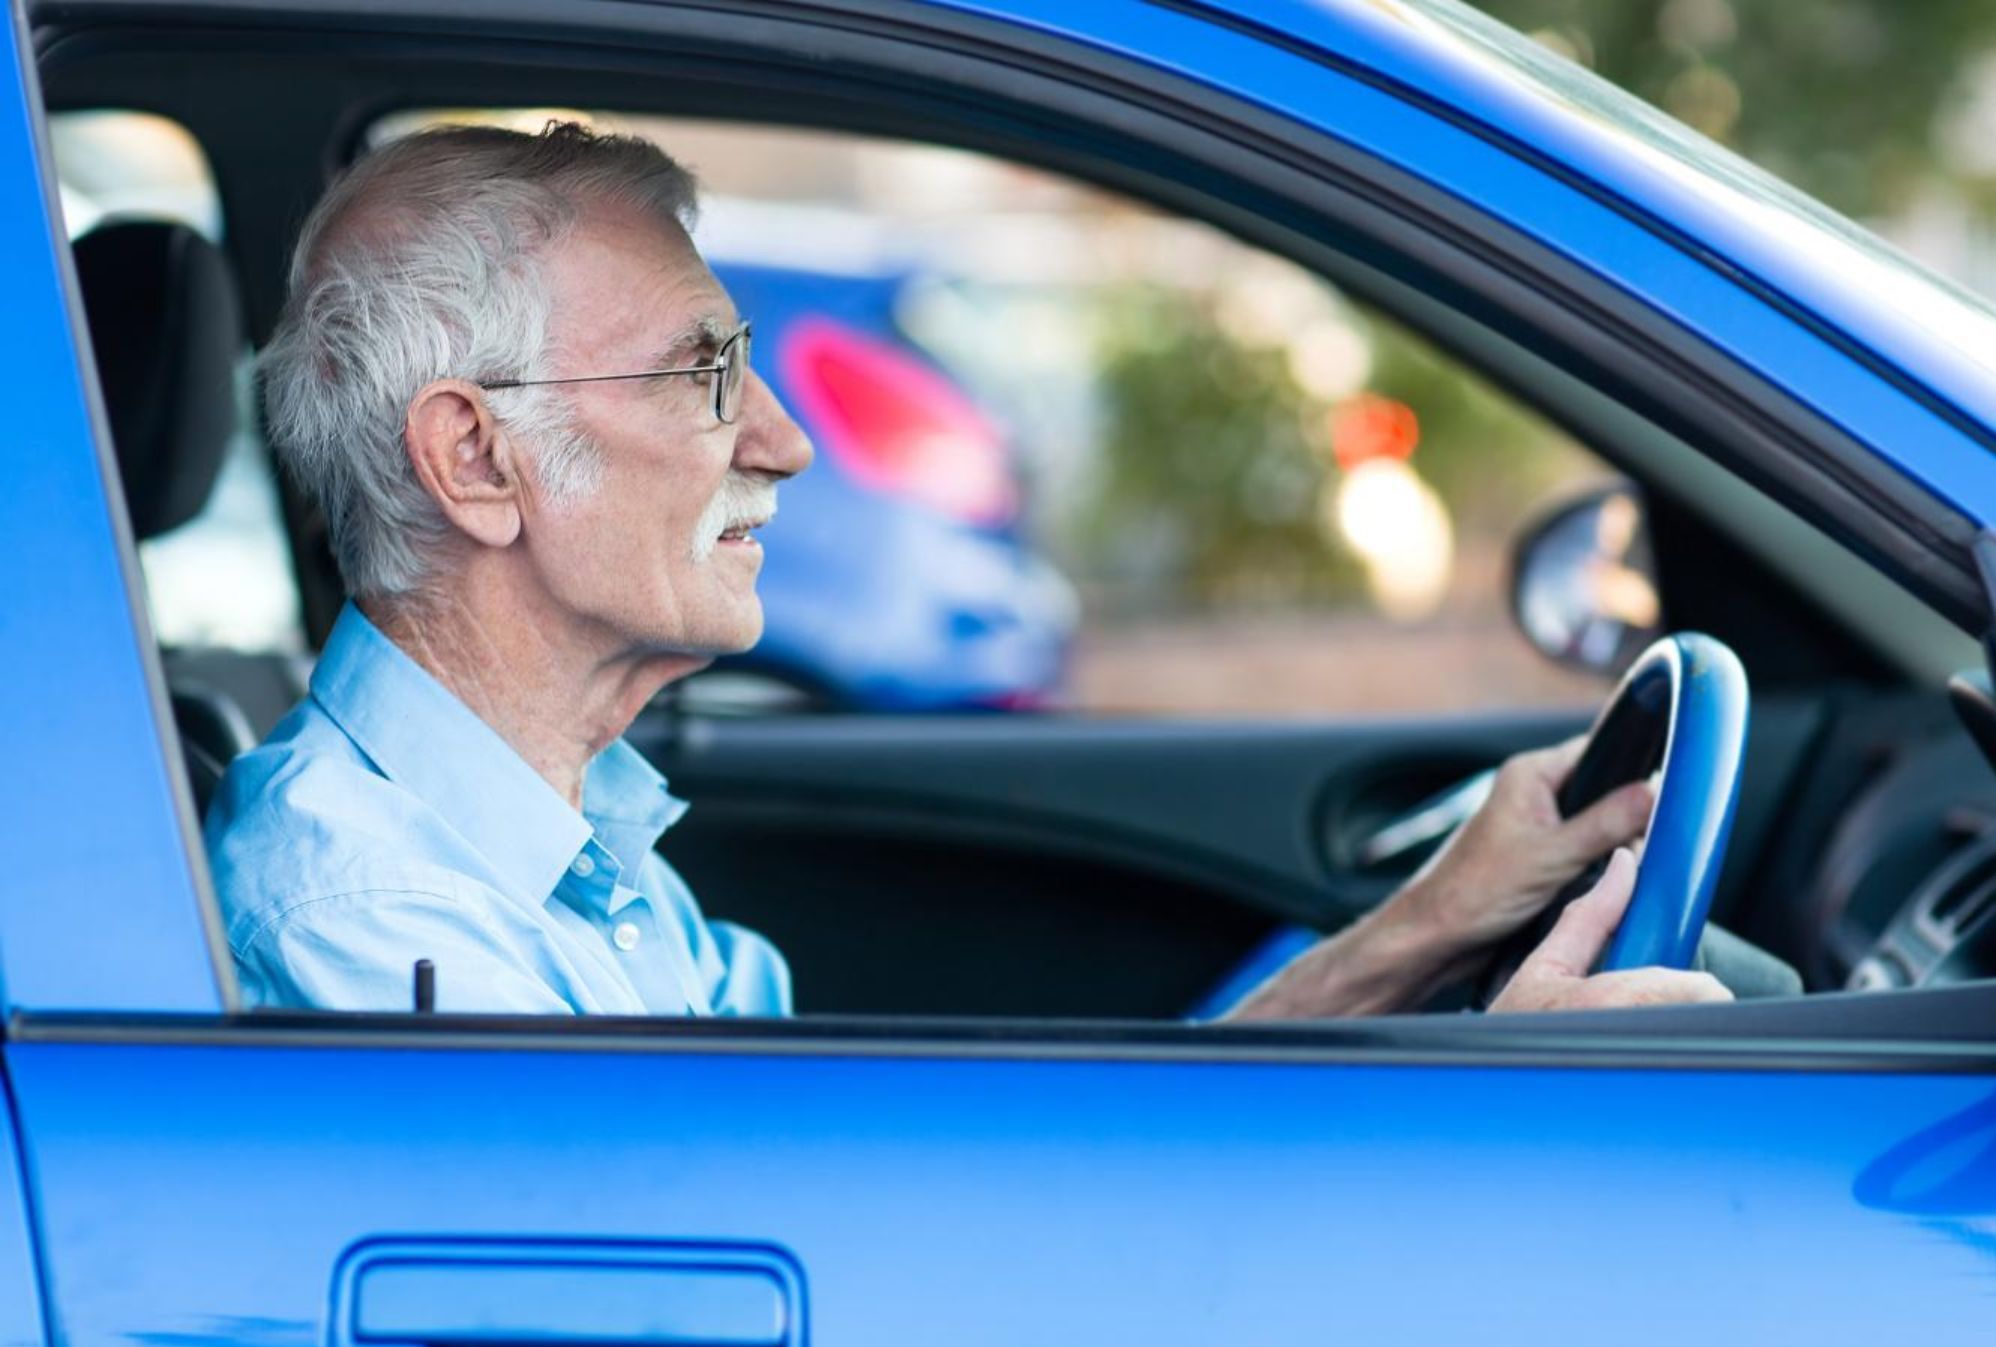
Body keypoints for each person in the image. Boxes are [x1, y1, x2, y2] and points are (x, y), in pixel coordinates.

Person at [208, 122, 1732, 1019]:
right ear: (477, 460)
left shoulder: (549, 844)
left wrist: (1424, 930)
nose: (789, 443)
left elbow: (921, 1225)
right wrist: (1470, 1132)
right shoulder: (385, 927)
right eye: (702, 374)